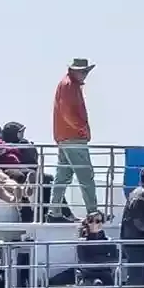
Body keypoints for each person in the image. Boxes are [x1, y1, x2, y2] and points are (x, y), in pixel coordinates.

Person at [48, 57, 98, 219]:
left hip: (65, 137)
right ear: (75, 71)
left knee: (63, 175)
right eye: (82, 71)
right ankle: (93, 212)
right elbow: (68, 113)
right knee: (86, 175)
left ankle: (53, 212)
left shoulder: (68, 84)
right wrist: (82, 129)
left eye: (85, 71)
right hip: (73, 138)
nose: (85, 75)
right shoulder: (69, 86)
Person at [75, 210, 120, 288]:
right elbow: (84, 263)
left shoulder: (108, 241)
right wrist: (103, 260)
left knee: (111, 285)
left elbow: (114, 259)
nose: (99, 223)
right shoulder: (82, 242)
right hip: (88, 276)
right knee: (98, 284)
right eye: (96, 221)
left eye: (101, 221)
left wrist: (97, 261)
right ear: (89, 223)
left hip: (105, 274)